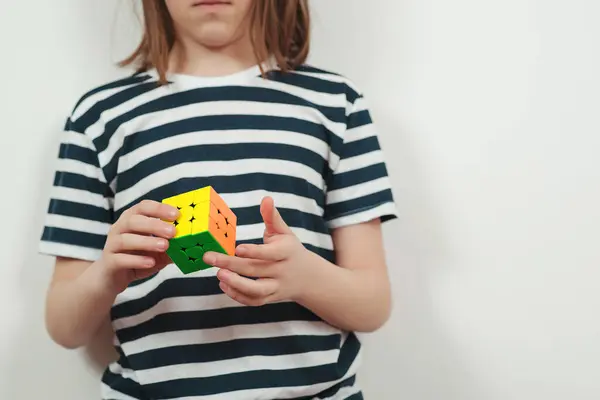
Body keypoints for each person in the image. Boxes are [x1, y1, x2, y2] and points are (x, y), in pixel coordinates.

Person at [39, 0, 398, 399]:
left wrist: (305, 278)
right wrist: (107, 273)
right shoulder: (99, 117)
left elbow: (373, 304)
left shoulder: (336, 104)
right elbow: (63, 326)